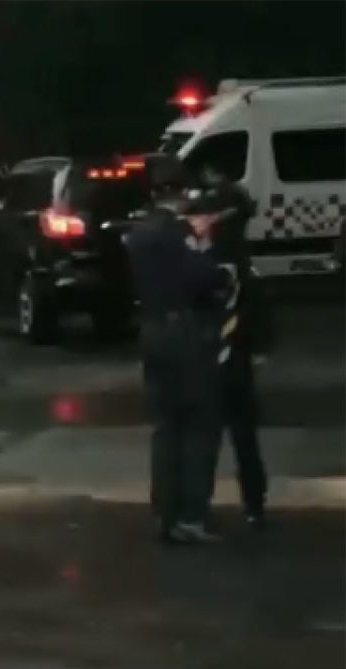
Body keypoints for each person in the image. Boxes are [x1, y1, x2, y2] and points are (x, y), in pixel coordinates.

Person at [125, 155, 229, 545]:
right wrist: (205, 246)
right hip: (185, 332)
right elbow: (204, 277)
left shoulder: (139, 232)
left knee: (165, 426)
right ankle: (192, 514)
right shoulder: (178, 233)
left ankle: (165, 513)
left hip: (151, 328)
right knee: (199, 424)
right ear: (183, 192)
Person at [197, 163, 269, 528]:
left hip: (210, 359)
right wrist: (260, 348)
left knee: (207, 436)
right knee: (244, 436)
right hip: (236, 360)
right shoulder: (244, 268)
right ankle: (254, 504)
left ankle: (200, 503)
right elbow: (260, 315)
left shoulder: (204, 264)